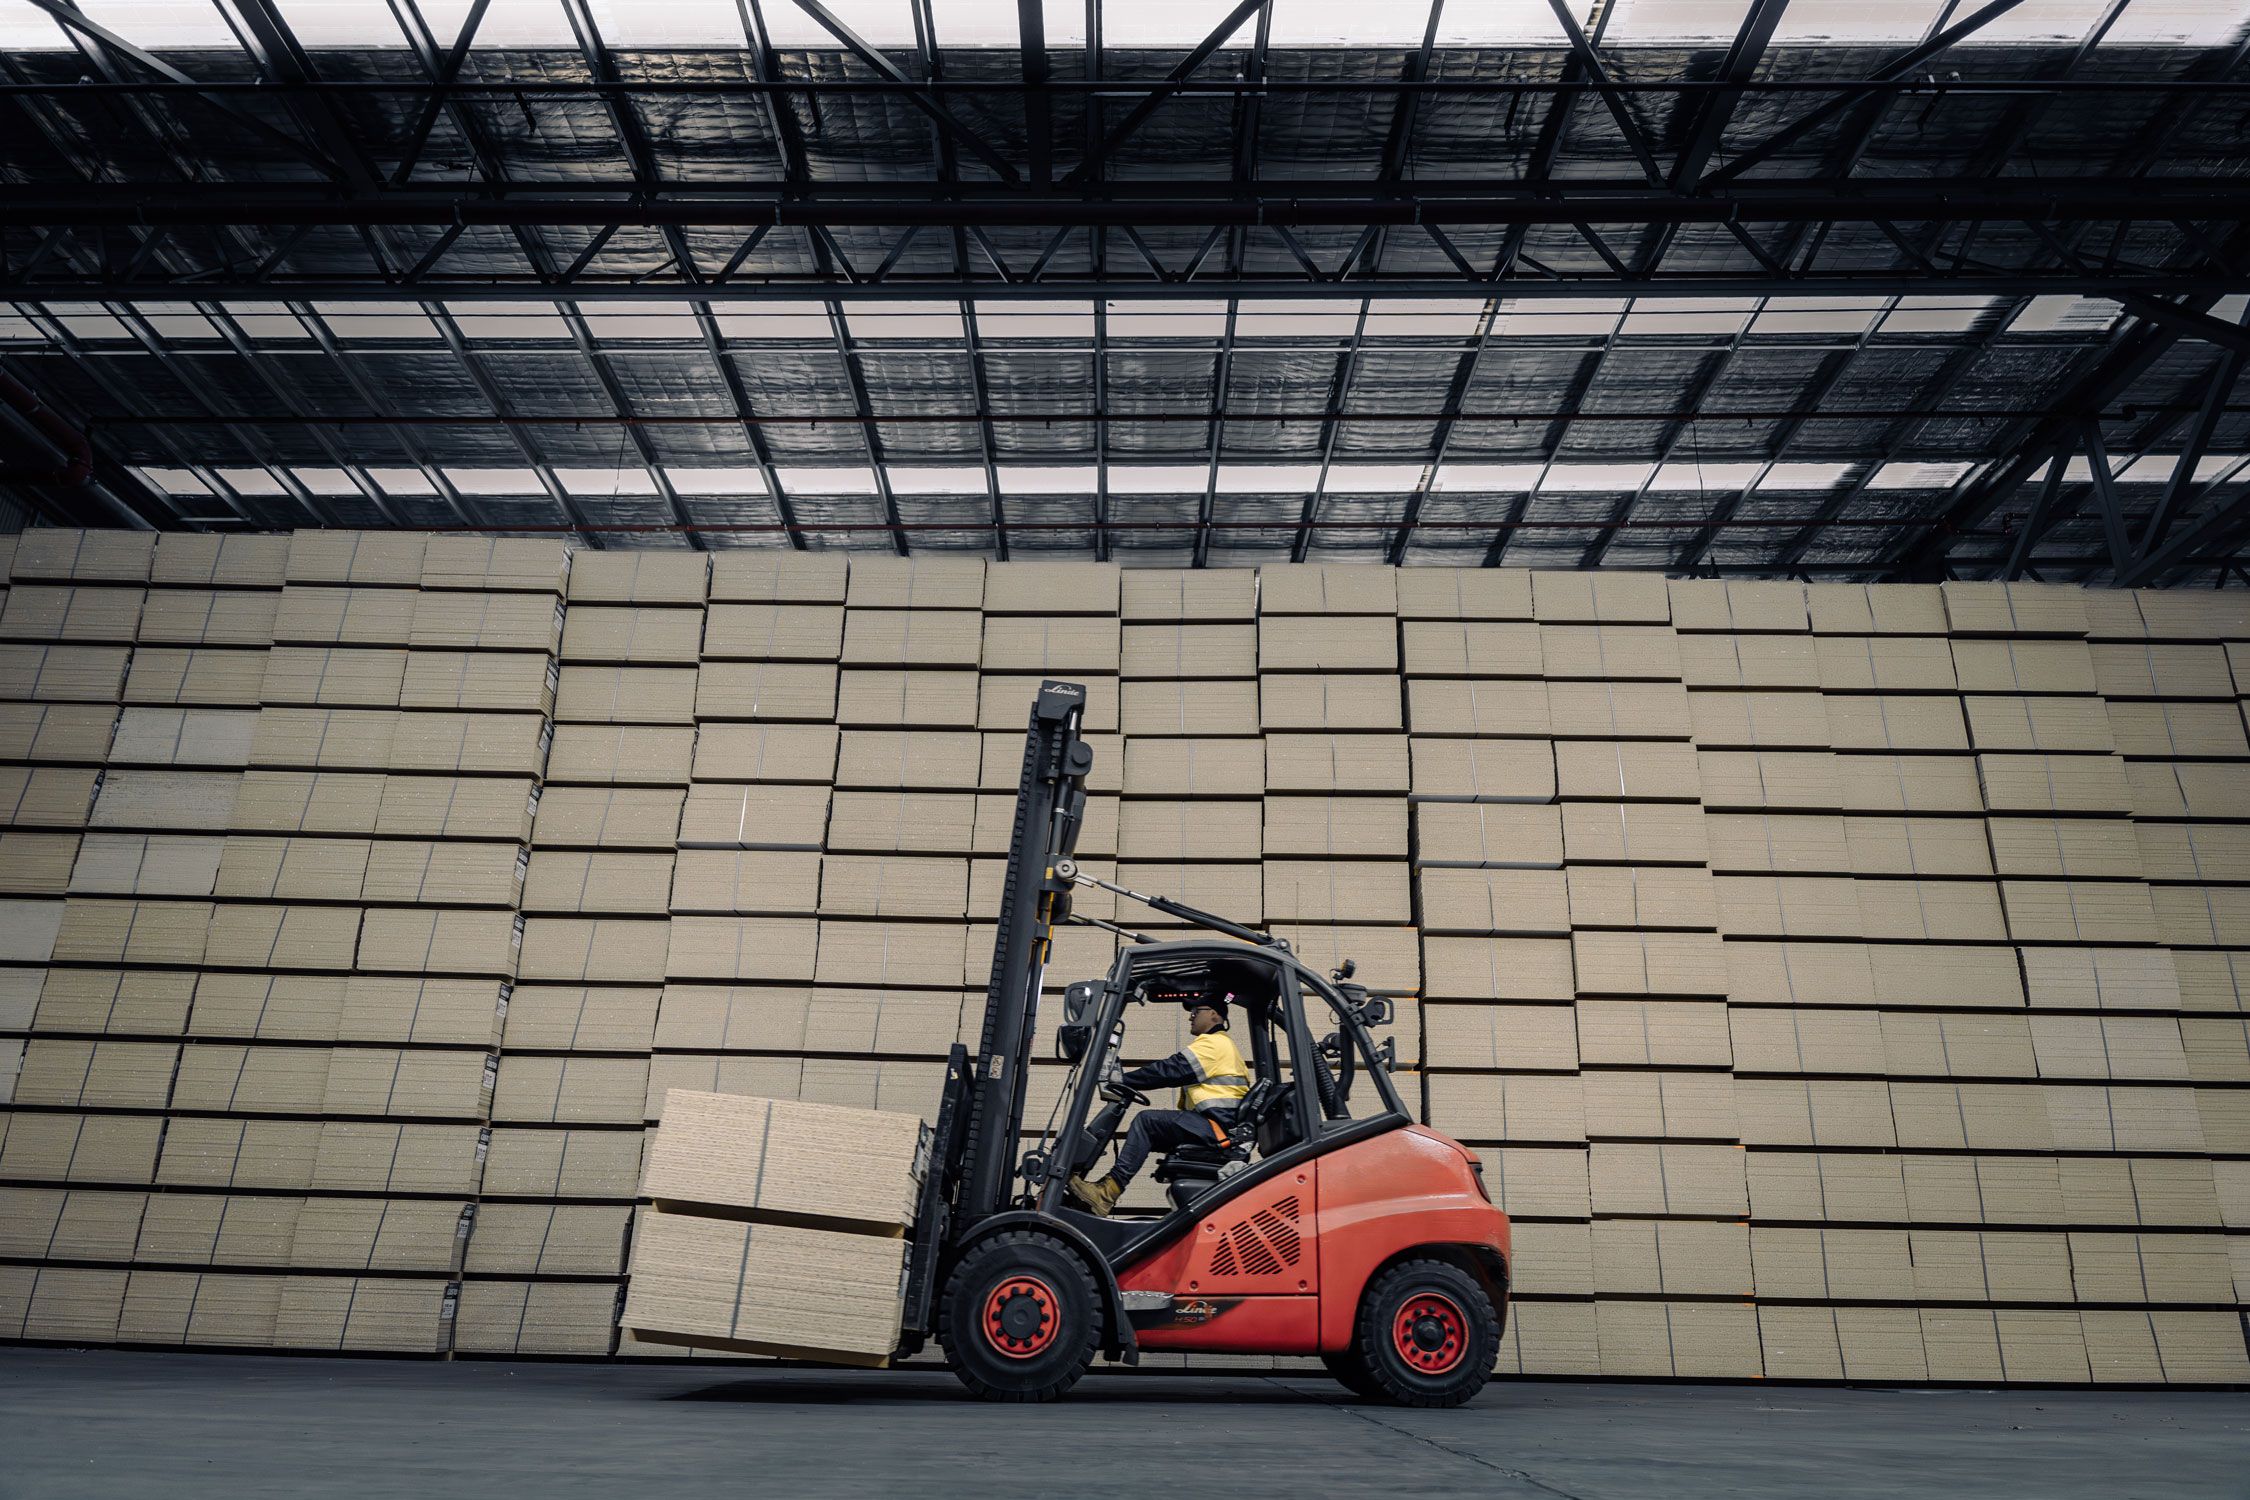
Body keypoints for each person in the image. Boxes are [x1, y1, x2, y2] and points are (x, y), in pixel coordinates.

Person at [1067, 996, 1250, 1217]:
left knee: (1147, 1122)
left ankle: (1107, 1192)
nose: (1191, 1015)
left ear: (1214, 1014)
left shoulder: (1216, 1043)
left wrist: (1123, 1080)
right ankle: (1104, 1191)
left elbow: (1170, 1070)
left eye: (1196, 1010)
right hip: (1215, 1127)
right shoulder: (1218, 1045)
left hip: (1217, 1128)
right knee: (1151, 1130)